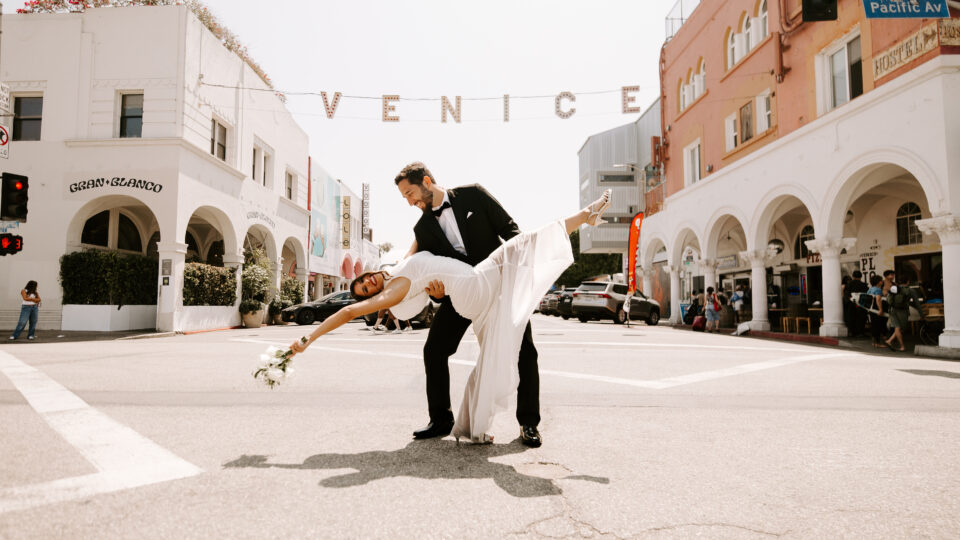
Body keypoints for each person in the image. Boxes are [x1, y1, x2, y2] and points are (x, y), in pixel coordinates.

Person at [288, 188, 613, 444]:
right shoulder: (394, 292)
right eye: (364, 290)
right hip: (471, 288)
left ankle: (516, 423)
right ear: (374, 297)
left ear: (425, 184)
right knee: (439, 346)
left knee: (512, 349)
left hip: (472, 286)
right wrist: (307, 338)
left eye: (364, 279)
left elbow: (423, 266)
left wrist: (432, 288)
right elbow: (349, 310)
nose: (366, 283)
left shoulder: (415, 247)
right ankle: (440, 419)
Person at [392, 163, 543, 447]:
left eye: (410, 193)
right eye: (405, 198)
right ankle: (440, 420)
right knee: (434, 350)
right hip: (462, 295)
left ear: (426, 181)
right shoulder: (423, 228)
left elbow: (511, 231)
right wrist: (436, 294)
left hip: (500, 287)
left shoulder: (473, 195)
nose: (410, 202)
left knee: (525, 353)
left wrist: (520, 274)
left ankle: (528, 423)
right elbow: (429, 274)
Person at [884, 271, 912, 352]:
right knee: (901, 328)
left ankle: (892, 342)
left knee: (897, 327)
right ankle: (895, 343)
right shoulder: (908, 290)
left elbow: (888, 297)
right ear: (908, 281)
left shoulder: (894, 287)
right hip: (902, 310)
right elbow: (914, 302)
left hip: (892, 309)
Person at [865, 274, 887, 349]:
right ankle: (878, 343)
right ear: (878, 282)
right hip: (876, 309)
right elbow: (878, 299)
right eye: (881, 280)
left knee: (874, 325)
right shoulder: (878, 289)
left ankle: (874, 343)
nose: (882, 281)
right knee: (878, 325)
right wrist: (880, 309)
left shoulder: (870, 289)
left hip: (871, 309)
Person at [845, 270, 869, 336]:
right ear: (861, 277)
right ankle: (861, 332)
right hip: (861, 304)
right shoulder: (864, 285)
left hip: (851, 304)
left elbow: (846, 295)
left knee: (851, 317)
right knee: (861, 318)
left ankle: (853, 332)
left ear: (853, 276)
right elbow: (867, 295)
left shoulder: (849, 284)